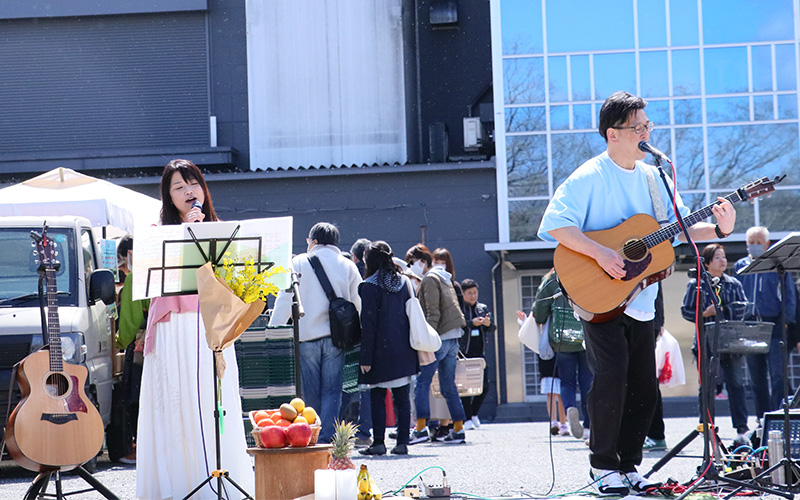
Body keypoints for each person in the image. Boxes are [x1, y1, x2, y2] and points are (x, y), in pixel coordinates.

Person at [538, 91, 736, 496]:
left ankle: (628, 466)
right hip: (599, 296)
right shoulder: (588, 176)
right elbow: (556, 225)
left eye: (648, 125)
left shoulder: (655, 177)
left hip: (643, 298)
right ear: (612, 133)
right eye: (638, 127)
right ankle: (602, 467)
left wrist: (721, 227)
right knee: (611, 376)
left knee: (644, 386)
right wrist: (601, 252)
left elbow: (681, 227)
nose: (647, 133)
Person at [136, 159, 254, 499]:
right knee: (177, 402)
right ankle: (180, 484)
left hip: (213, 325)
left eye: (193, 184)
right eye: (178, 187)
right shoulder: (158, 233)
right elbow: (152, 281)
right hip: (175, 326)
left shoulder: (222, 231)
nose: (188, 191)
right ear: (168, 196)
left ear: (204, 189)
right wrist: (185, 233)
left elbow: (236, 281)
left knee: (214, 400)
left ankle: (221, 479)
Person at [269, 222, 362, 443]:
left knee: (310, 393)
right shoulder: (347, 265)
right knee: (332, 390)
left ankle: (310, 435)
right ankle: (326, 437)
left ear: (314, 241)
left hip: (306, 337)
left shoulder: (298, 262)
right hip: (336, 339)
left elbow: (284, 299)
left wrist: (273, 330)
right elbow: (359, 301)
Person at [681, 244, 750, 447]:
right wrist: (704, 313)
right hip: (706, 343)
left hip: (732, 342)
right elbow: (686, 310)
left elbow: (744, 308)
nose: (722, 260)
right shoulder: (696, 285)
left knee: (736, 384)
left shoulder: (734, 283)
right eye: (717, 257)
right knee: (707, 386)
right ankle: (706, 425)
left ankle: (741, 427)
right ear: (707, 262)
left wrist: (724, 310)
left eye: (724, 257)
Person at [357, 241, 418, 456]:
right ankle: (402, 442)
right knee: (402, 398)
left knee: (377, 398)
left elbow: (368, 325)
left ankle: (379, 443)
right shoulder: (404, 282)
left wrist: (365, 358)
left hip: (379, 351)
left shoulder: (368, 286)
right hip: (404, 348)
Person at [405, 244, 468, 444]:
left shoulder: (430, 279)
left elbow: (433, 313)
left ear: (424, 262)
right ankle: (458, 429)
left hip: (440, 337)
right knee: (448, 384)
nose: (411, 266)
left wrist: (427, 340)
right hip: (453, 336)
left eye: (413, 262)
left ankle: (420, 429)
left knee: (422, 382)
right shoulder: (444, 277)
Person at [734, 226, 797, 418]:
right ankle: (762, 417)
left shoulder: (777, 265)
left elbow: (789, 295)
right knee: (756, 377)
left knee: (778, 375)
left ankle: (779, 414)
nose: (754, 246)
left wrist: (786, 321)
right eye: (750, 243)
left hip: (773, 325)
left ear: (767, 244)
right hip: (749, 325)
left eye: (758, 243)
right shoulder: (740, 265)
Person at [533, 269, 591, 441]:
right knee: (587, 381)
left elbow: (539, 311)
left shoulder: (551, 280)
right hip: (586, 336)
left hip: (561, 339)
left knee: (567, 381)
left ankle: (570, 408)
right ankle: (588, 426)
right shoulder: (586, 273)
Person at [114, 236, 149, 464]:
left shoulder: (135, 279)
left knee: (138, 398)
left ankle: (141, 448)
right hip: (170, 345)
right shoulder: (162, 272)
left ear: (130, 255)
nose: (122, 269)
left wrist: (117, 342)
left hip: (141, 348)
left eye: (122, 262)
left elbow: (129, 324)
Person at [459, 279, 495, 430]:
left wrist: (488, 324)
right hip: (464, 353)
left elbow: (492, 328)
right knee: (465, 387)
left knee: (484, 386)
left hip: (480, 354)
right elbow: (458, 325)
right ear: (463, 294)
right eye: (469, 293)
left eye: (475, 293)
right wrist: (470, 323)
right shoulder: (460, 308)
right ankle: (467, 418)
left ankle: (474, 413)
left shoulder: (482, 308)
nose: (473, 296)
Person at [644, 285, 668, 451]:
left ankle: (656, 435)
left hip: (646, 321)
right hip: (647, 321)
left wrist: (659, 323)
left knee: (646, 380)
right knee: (645, 379)